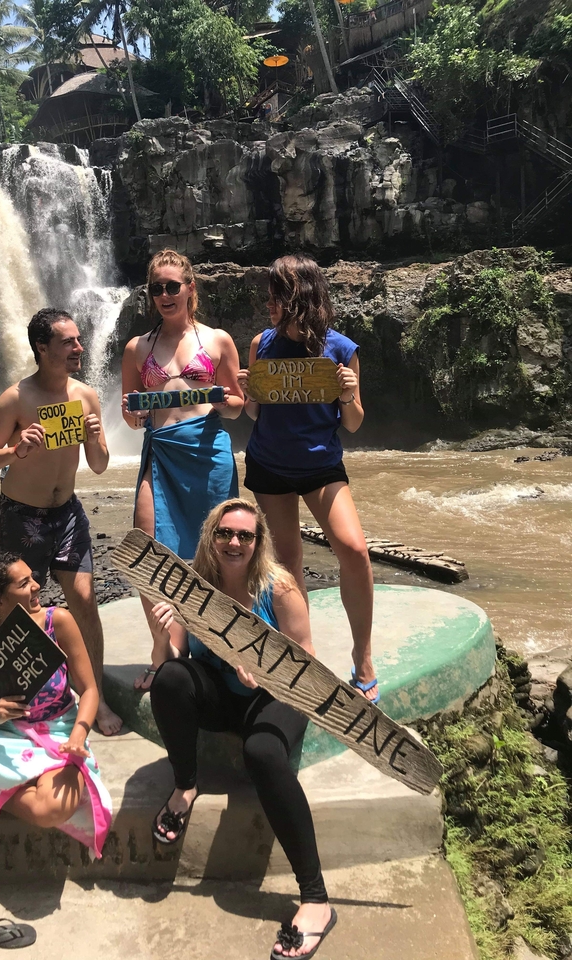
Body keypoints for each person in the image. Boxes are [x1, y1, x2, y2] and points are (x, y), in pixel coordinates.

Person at [147, 499, 337, 959]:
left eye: (244, 536)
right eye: (225, 533)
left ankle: (315, 900)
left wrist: (266, 669)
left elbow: (307, 658)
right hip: (221, 696)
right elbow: (171, 664)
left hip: (277, 695)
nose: (234, 543)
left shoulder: (280, 586)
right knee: (170, 679)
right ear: (211, 537)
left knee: (263, 755)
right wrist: (161, 634)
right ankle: (185, 787)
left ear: (258, 541)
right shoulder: (194, 589)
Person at [0, 553, 111, 959]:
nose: (36, 588)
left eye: (34, 579)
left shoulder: (56, 622)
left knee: (51, 809)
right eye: (24, 583)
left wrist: (80, 733)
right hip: (9, 733)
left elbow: (90, 689)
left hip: (63, 730)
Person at [0, 307, 122, 736]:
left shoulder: (85, 396)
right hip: (22, 516)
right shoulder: (16, 398)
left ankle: (96, 698)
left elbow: (99, 465)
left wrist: (94, 438)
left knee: (85, 599)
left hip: (67, 512)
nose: (79, 347)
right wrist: (13, 450)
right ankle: (19, 706)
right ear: (43, 348)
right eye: (69, 342)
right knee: (19, 610)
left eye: (78, 340)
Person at [238, 254, 378, 703]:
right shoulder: (261, 344)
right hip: (269, 465)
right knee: (288, 565)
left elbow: (353, 424)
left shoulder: (342, 349)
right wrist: (248, 391)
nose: (270, 303)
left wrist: (349, 395)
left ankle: (363, 658)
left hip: (321, 466)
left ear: (303, 295)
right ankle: (301, 654)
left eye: (278, 294)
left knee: (354, 550)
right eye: (270, 294)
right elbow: (253, 414)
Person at [121, 248, 244, 691]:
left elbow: (236, 406)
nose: (165, 295)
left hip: (208, 453)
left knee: (217, 552)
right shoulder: (137, 348)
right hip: (161, 455)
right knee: (146, 550)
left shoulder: (217, 341)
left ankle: (219, 651)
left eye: (173, 286)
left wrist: (220, 398)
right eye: (156, 288)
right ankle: (165, 649)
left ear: (191, 288)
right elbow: (132, 416)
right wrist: (132, 415)